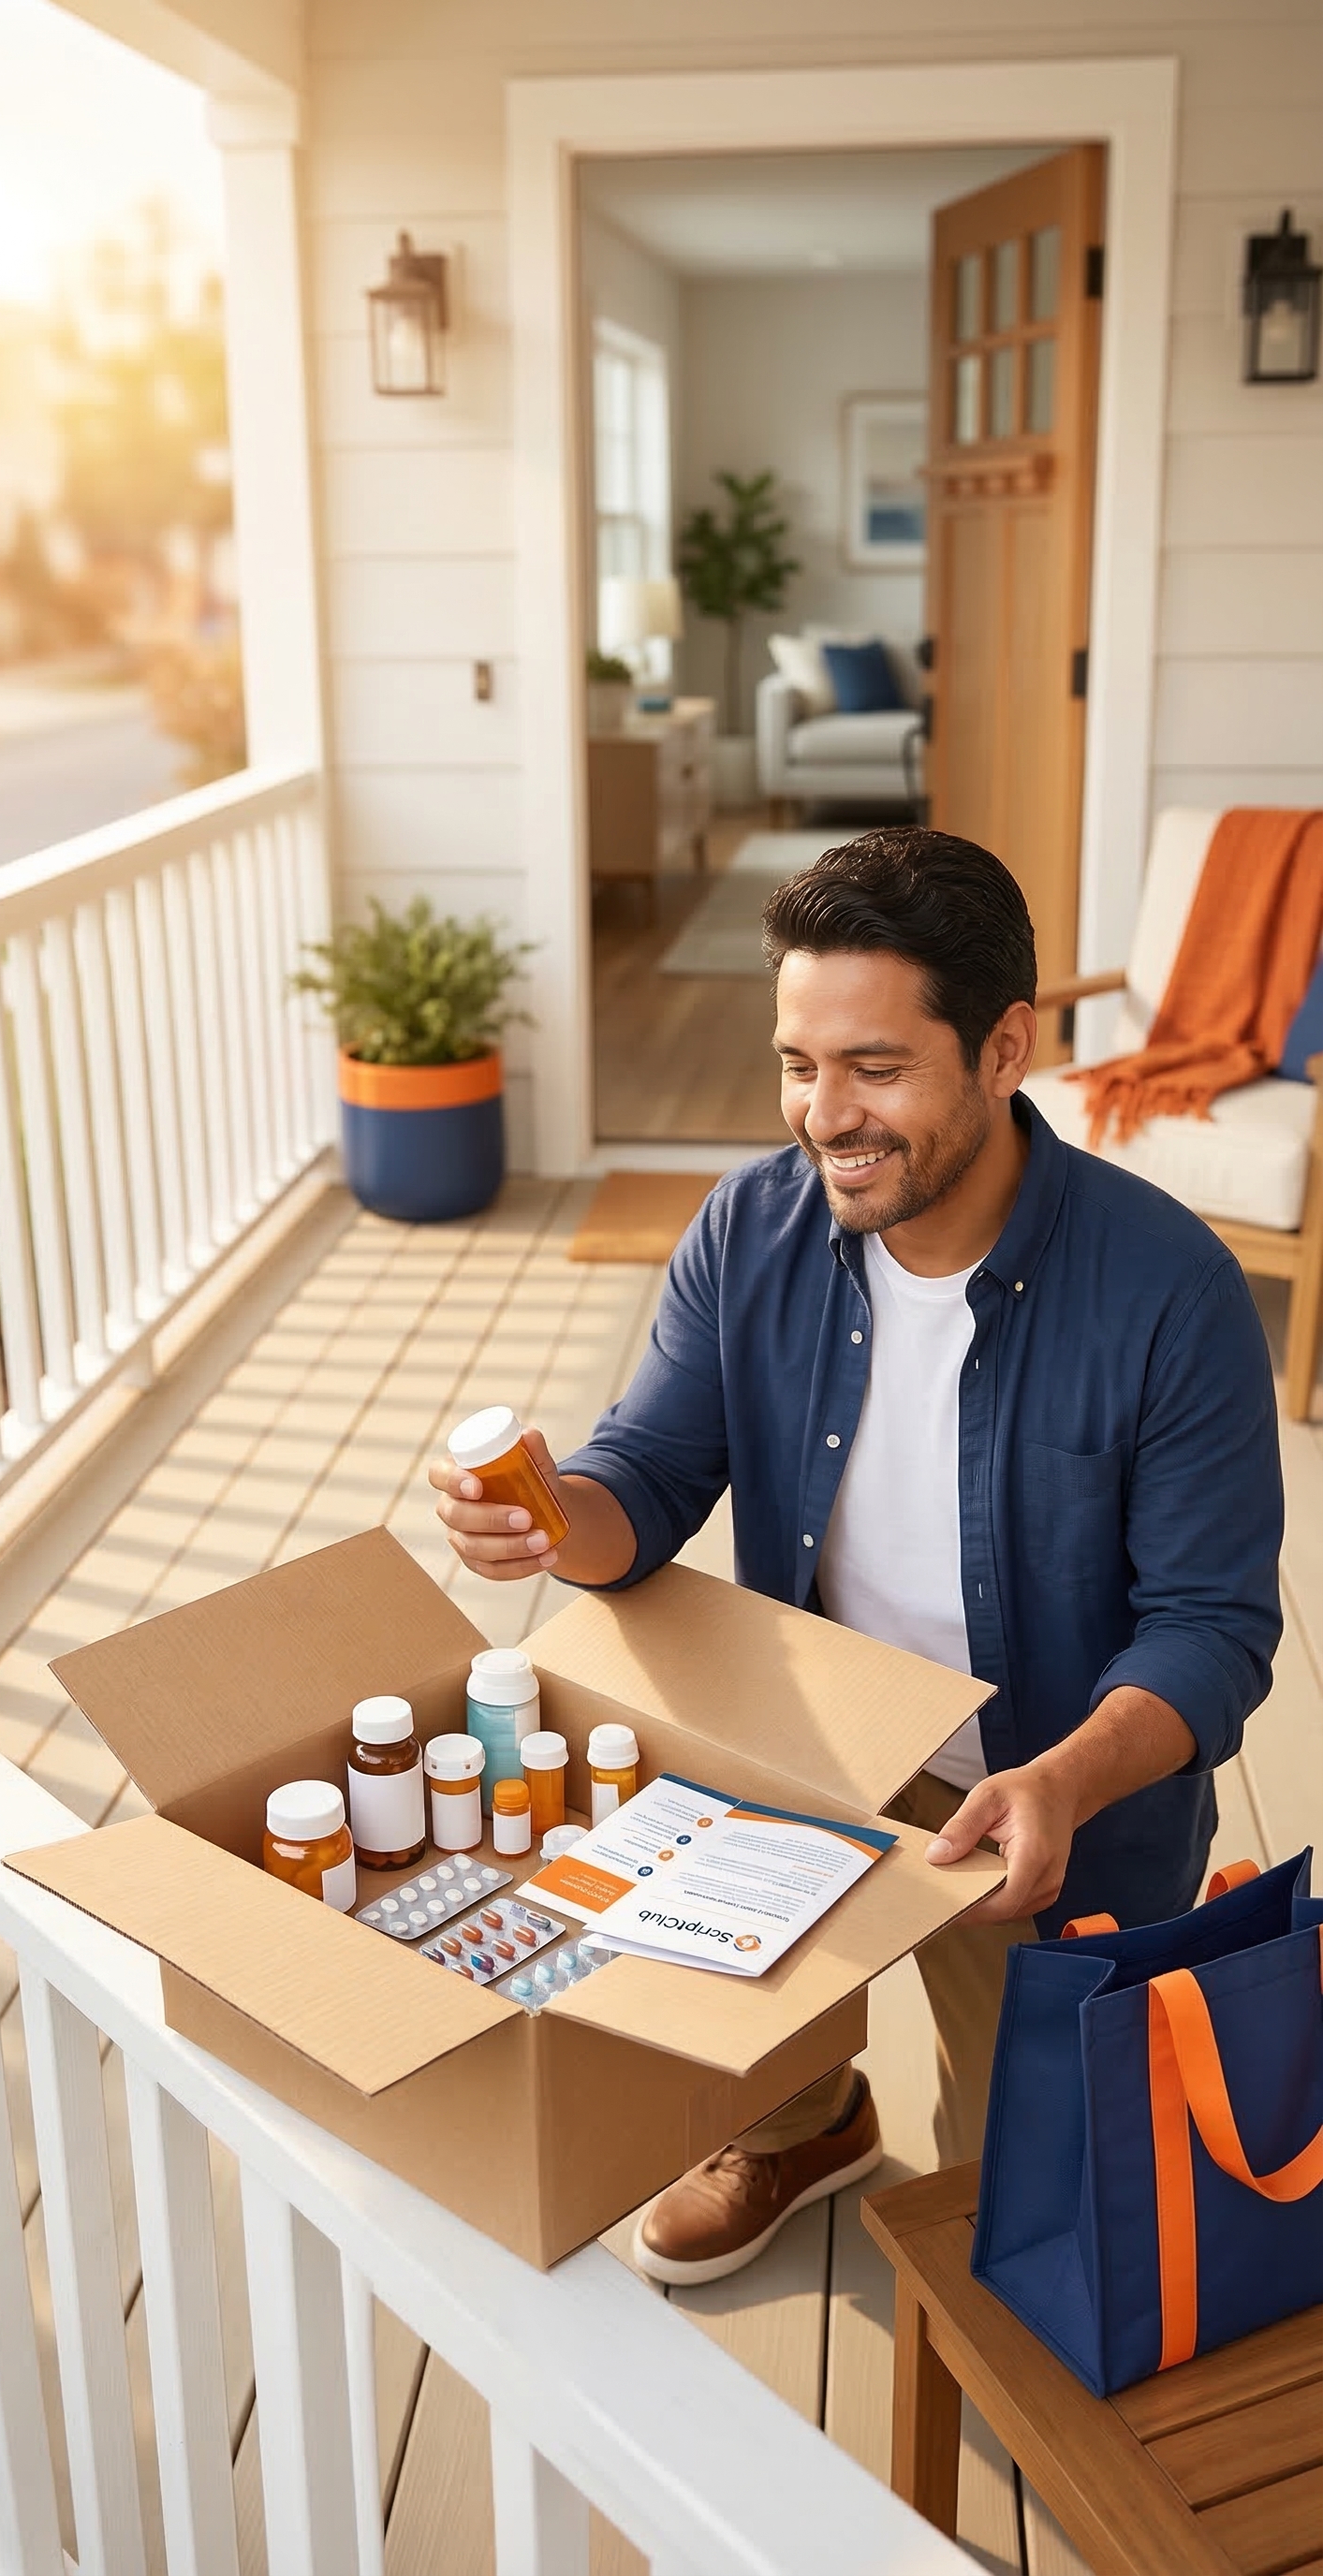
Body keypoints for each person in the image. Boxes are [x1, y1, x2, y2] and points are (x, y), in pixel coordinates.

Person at [431, 828, 1283, 2287]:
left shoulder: (1170, 1292)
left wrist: (1065, 1779)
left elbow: (1211, 1629)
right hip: (813, 1739)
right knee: (717, 1987)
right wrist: (556, 1519)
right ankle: (803, 2124)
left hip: (1045, 1797)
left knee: (1031, 2217)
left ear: (1004, 1048)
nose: (826, 1116)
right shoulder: (750, 1226)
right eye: (798, 1064)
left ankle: (998, 2211)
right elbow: (648, 1469)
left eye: (875, 1069)